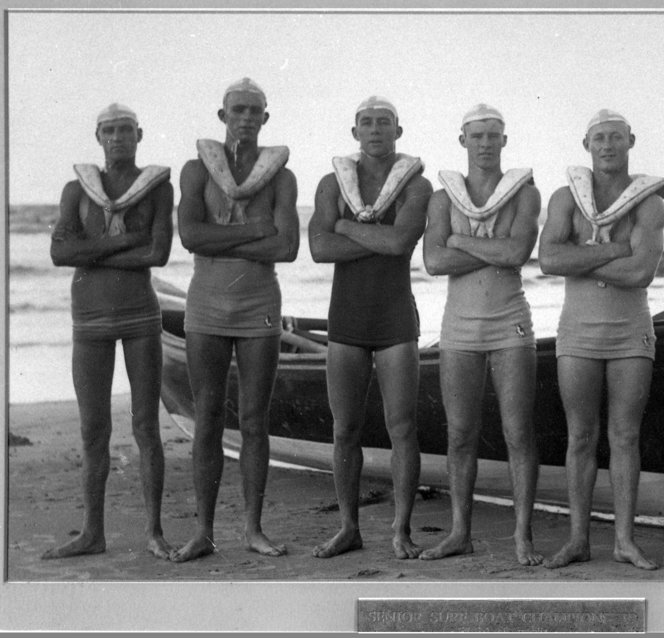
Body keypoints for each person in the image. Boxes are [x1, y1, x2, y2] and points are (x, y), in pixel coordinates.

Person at [170, 78, 299, 562]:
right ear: (222, 116)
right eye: (237, 110)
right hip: (205, 302)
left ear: (265, 119)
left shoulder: (281, 178)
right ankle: (203, 531)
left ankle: (252, 528)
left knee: (253, 420)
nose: (245, 117)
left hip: (259, 301)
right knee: (206, 418)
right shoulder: (195, 169)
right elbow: (189, 236)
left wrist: (221, 235)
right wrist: (254, 230)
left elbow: (285, 247)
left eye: (254, 111)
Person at [538, 109, 664, 570]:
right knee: (580, 436)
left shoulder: (649, 203)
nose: (608, 145)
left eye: (615, 137)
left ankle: (624, 542)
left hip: (631, 331)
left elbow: (640, 273)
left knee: (625, 436)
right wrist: (613, 249)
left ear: (631, 141)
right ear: (586, 145)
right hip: (578, 331)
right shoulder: (565, 198)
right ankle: (578, 540)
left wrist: (584, 256)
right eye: (599, 139)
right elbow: (548, 260)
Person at [46, 103, 174, 559]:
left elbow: (158, 254)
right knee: (93, 429)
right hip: (90, 321)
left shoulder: (156, 188)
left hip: (140, 316)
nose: (118, 137)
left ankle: (155, 531)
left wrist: (91, 252)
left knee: (146, 427)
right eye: (109, 131)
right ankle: (92, 532)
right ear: (97, 137)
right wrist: (124, 241)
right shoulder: (76, 190)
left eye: (125, 130)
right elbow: (60, 253)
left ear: (139, 134)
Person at [308, 96, 433, 560]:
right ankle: (348, 527)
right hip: (347, 318)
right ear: (354, 131)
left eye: (385, 123)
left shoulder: (415, 186)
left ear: (398, 131)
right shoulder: (331, 183)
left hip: (395, 317)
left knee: (402, 427)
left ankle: (401, 529)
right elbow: (319, 249)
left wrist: (345, 226)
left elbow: (402, 242)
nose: (375, 129)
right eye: (367, 122)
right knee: (345, 429)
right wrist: (372, 238)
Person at [420, 104, 543, 566]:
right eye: (477, 136)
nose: (486, 144)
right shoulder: (442, 197)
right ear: (463, 141)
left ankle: (522, 536)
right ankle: (459, 532)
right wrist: (492, 250)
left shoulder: (524, 194)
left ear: (504, 141)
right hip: (459, 326)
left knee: (517, 431)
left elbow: (516, 252)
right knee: (459, 434)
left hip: (509, 320)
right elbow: (434, 262)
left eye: (494, 136)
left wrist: (461, 241)